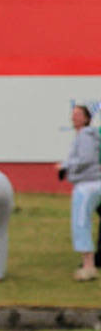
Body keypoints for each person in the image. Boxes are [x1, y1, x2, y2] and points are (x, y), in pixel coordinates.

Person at [58, 104, 101, 280]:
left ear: (86, 117)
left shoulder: (84, 136)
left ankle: (88, 266)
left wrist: (66, 166)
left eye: (78, 114)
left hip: (87, 184)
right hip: (91, 182)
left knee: (81, 222)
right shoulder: (88, 136)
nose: (73, 117)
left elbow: (86, 158)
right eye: (73, 114)